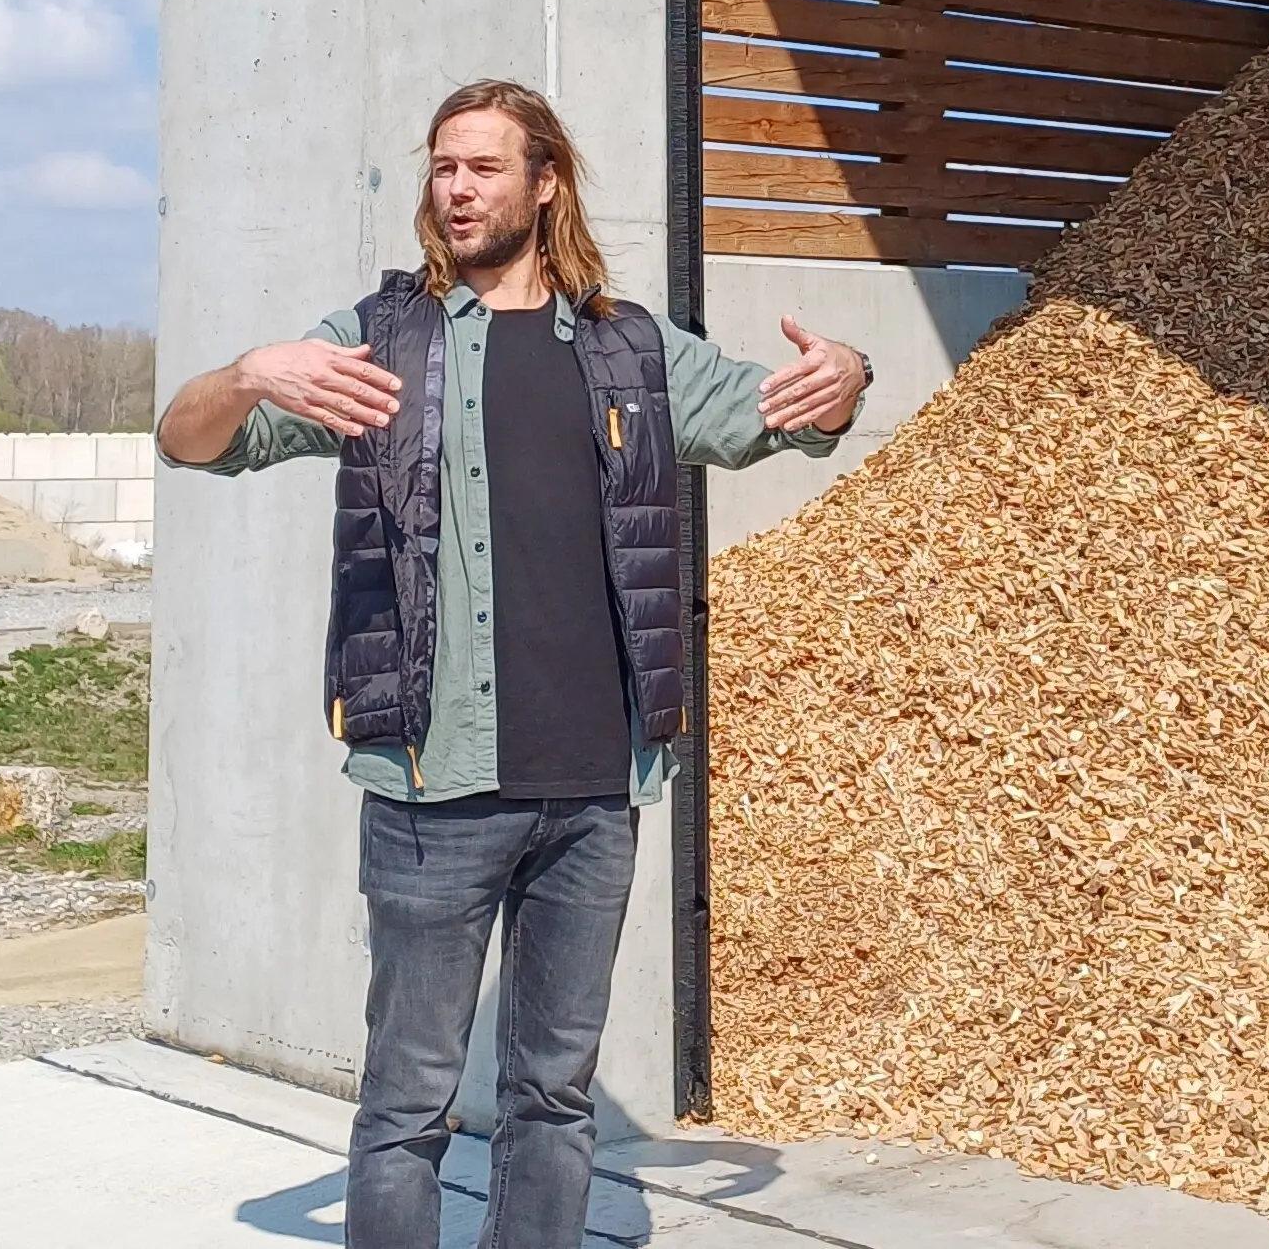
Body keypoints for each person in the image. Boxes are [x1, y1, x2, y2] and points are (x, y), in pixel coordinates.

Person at [154, 79, 871, 1249]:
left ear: (545, 183)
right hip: (434, 790)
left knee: (552, 1098)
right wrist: (246, 374)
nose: (457, 188)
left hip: (596, 790)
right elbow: (187, 442)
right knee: (406, 1108)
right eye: (443, 166)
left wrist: (842, 374)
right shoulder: (376, 344)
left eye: (484, 167)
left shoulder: (629, 345)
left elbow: (774, 413)